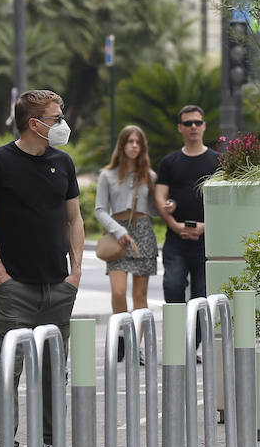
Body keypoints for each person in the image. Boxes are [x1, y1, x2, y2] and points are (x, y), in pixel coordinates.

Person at [0, 89, 83, 447]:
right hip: (15, 287)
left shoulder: (63, 163)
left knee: (56, 372)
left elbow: (74, 219)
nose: (62, 124)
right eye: (56, 118)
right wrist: (0, 275)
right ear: (35, 123)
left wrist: (76, 272)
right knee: (7, 372)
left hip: (58, 285)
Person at [94, 125, 158, 362]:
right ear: (121, 145)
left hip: (143, 234)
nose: (133, 145)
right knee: (118, 291)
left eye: (137, 142)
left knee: (140, 296)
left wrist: (167, 206)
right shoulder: (107, 175)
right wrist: (119, 230)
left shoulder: (149, 176)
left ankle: (134, 347)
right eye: (129, 141)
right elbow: (100, 209)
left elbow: (153, 209)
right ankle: (122, 332)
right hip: (117, 234)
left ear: (142, 147)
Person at [155, 105, 220, 304]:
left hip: (207, 240)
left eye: (197, 122)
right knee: (172, 285)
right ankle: (176, 334)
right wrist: (175, 225)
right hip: (176, 239)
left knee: (202, 294)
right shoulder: (169, 162)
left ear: (204, 126)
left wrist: (206, 227)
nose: (193, 126)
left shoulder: (218, 161)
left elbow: (225, 203)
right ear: (180, 128)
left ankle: (199, 337)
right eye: (187, 123)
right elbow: (159, 196)